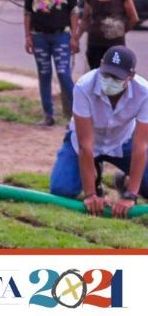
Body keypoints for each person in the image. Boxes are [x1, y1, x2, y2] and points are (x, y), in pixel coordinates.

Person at [50, 46, 148, 219]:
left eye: (116, 77)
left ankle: (124, 181)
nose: (109, 80)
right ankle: (93, 174)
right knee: (61, 189)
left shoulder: (144, 93)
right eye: (106, 74)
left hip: (122, 142)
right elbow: (85, 144)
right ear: (101, 64)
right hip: (85, 143)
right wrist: (91, 194)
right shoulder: (83, 86)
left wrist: (131, 194)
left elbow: (141, 146)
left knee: (143, 183)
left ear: (131, 76)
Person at [23, 0, 79, 126]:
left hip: (61, 36)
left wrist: (74, 36)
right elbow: (27, 12)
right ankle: (48, 114)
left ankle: (76, 114)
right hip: (39, 36)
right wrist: (27, 36)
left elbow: (74, 12)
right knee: (44, 74)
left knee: (64, 73)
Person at [72, 0, 139, 70]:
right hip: (94, 46)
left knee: (114, 78)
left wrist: (120, 30)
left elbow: (133, 18)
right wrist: (76, 38)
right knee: (96, 78)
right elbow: (85, 19)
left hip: (115, 47)